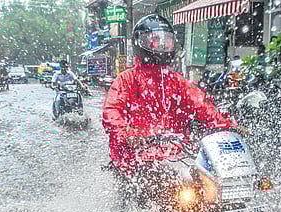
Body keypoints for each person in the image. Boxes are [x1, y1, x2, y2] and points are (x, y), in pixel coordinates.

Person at [102, 14, 237, 174]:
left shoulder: (175, 81)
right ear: (140, 42)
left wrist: (227, 126)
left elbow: (202, 104)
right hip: (133, 161)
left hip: (174, 156)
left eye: (166, 41)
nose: (162, 46)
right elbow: (111, 112)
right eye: (154, 40)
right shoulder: (127, 79)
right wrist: (128, 135)